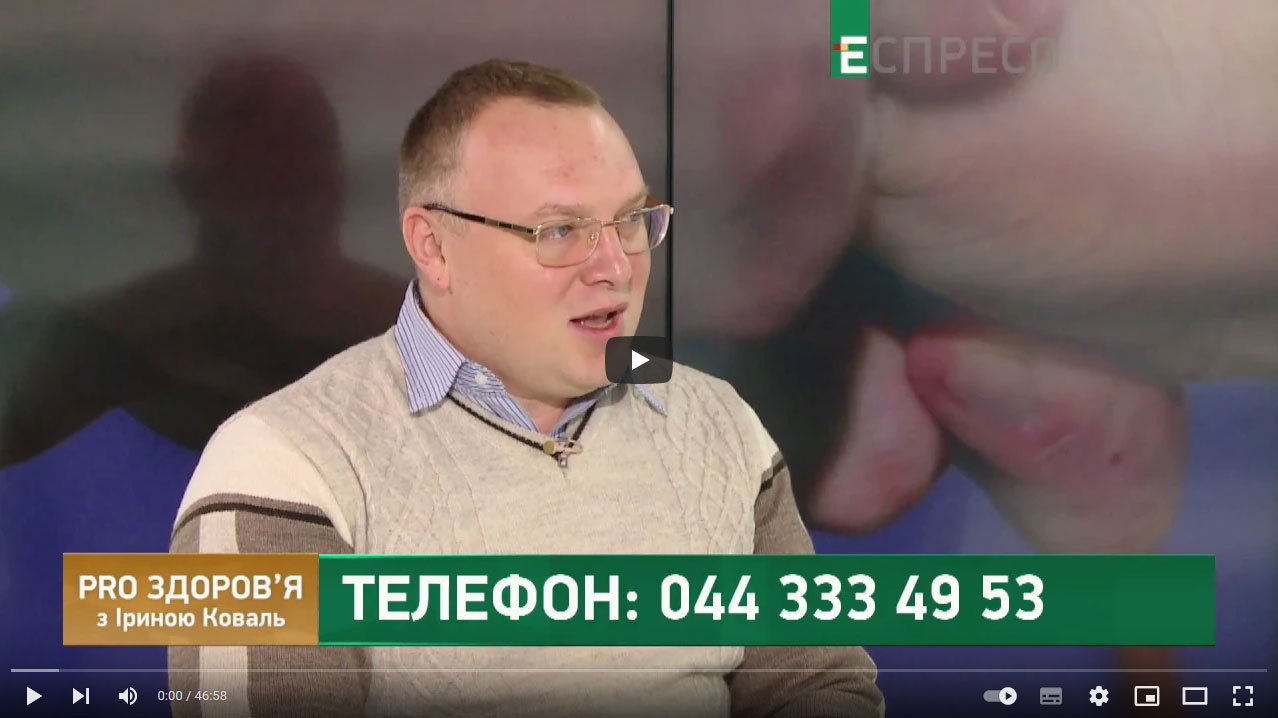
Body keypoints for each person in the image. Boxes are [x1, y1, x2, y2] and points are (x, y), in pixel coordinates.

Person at [169, 59, 885, 718]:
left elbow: (821, 685)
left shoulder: (719, 420)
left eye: (631, 221)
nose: (614, 267)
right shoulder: (284, 462)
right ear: (433, 246)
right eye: (561, 231)